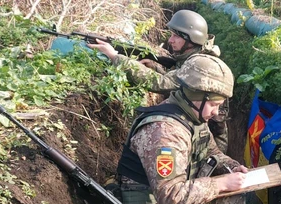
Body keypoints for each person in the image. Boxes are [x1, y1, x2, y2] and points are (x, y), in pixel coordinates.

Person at [115, 54, 247, 204]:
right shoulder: (165, 133)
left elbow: (213, 152)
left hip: (165, 202)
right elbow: (170, 196)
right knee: (234, 202)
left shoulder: (192, 118)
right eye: (213, 105)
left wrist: (232, 167)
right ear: (197, 97)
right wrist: (220, 184)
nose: (216, 113)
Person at [87, 9, 230, 153]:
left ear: (191, 40)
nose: (170, 40)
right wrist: (155, 66)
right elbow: (178, 83)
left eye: (176, 36)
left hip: (208, 140)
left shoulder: (200, 65)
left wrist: (115, 56)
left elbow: (161, 83)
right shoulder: (194, 57)